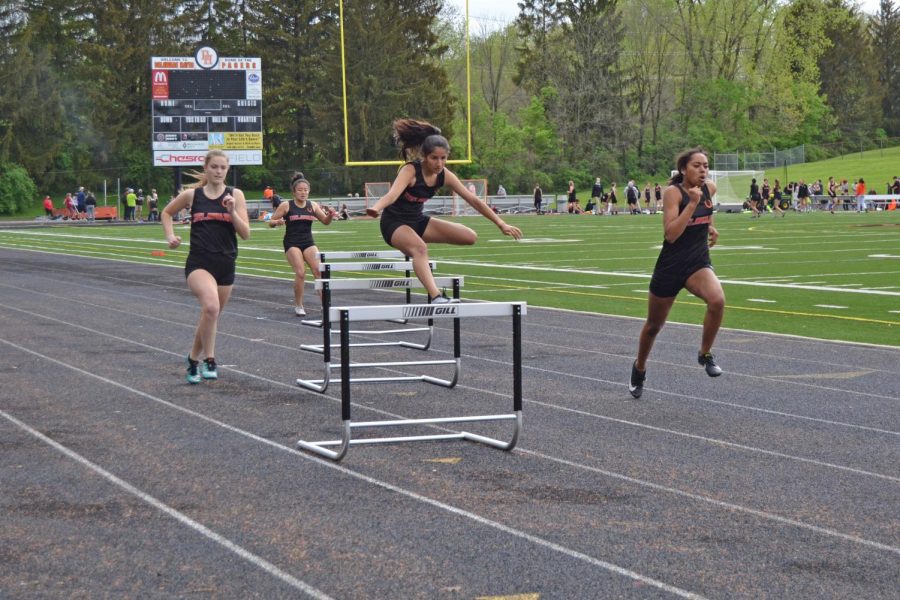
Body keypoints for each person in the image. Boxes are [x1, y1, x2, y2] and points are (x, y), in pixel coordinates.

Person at [366, 118, 522, 303]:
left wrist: (501, 223)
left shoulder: (445, 175)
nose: (439, 164)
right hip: (394, 224)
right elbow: (391, 196)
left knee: (469, 236)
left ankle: (415, 248)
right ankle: (435, 296)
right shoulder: (410, 171)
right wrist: (376, 208)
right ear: (424, 156)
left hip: (418, 222)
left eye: (443, 158)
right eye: (434, 158)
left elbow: (473, 199)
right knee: (420, 249)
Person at [629, 148, 725, 399]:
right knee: (653, 326)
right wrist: (691, 203)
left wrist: (712, 228)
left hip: (697, 263)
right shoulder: (673, 193)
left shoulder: (709, 189)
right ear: (684, 169)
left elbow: (707, 213)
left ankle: (705, 354)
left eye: (706, 165)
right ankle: (639, 367)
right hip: (671, 266)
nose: (703, 170)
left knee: (717, 300)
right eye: (697, 165)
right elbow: (671, 234)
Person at [161, 149, 251, 384]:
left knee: (210, 316)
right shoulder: (193, 195)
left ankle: (192, 359)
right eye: (214, 167)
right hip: (199, 263)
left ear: (227, 170)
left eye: (223, 167)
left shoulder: (236, 195)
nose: (219, 171)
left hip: (226, 263)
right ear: (206, 168)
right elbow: (167, 212)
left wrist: (231, 212)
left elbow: (246, 234)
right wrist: (170, 236)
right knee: (211, 307)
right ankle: (210, 359)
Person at [268, 171, 333, 316]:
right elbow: (270, 222)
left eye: (306, 190)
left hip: (308, 241)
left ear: (309, 191)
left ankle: (325, 305)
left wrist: (330, 215)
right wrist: (277, 222)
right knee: (301, 272)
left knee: (318, 271)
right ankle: (299, 305)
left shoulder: (313, 205)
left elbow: (325, 222)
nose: (303, 193)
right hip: (292, 242)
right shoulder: (286, 205)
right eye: (300, 190)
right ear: (294, 192)